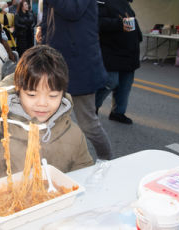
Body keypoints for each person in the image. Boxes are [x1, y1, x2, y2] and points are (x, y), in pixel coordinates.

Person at [0, 45, 93, 184]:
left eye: (53, 95)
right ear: (18, 90)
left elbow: (83, 172)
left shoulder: (72, 133)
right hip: (5, 202)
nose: (42, 103)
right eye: (32, 94)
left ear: (63, 94)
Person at [39, 0, 112, 160]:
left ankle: (106, 160)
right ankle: (54, 165)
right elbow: (47, 23)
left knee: (89, 124)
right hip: (55, 63)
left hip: (80, 66)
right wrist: (42, 48)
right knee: (51, 121)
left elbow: (73, 10)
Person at [95, 0, 142, 124]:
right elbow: (97, 23)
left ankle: (118, 113)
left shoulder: (125, 3)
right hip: (111, 50)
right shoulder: (101, 2)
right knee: (111, 81)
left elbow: (132, 20)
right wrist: (119, 24)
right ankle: (91, 108)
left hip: (130, 51)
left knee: (125, 85)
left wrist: (138, 36)